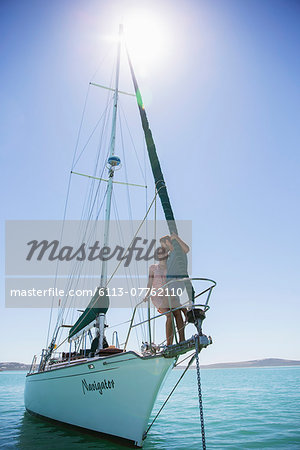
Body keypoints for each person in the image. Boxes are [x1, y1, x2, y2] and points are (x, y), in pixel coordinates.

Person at [144, 244, 186, 345]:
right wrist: (146, 294)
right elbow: (149, 283)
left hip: (169, 295)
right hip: (158, 297)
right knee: (170, 315)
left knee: (177, 313)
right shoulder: (153, 268)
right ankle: (169, 344)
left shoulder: (170, 268)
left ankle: (182, 340)